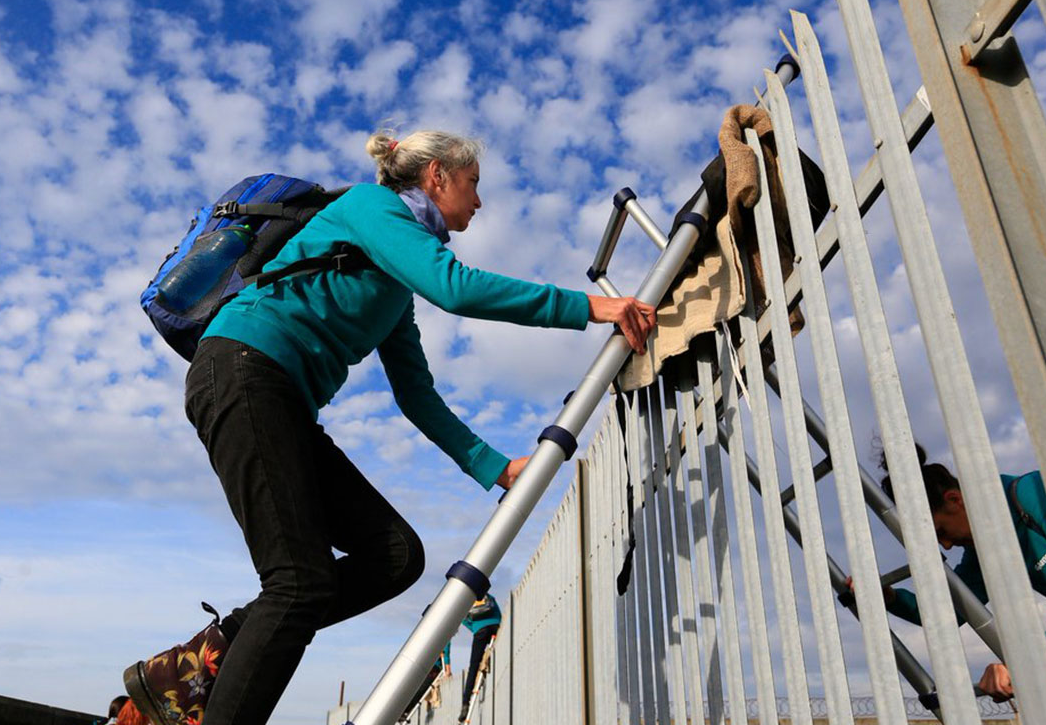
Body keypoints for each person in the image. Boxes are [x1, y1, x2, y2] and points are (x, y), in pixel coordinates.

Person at [122, 129, 658, 725]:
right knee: (297, 584)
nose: (479, 202)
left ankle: (194, 668)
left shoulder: (393, 277)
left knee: (395, 554)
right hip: (243, 372)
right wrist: (591, 306)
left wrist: (493, 465)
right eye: (473, 184)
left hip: (279, 397)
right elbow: (455, 289)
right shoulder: (370, 208)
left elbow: (416, 394)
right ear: (437, 176)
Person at [851, 445, 1046, 702]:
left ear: (954, 500)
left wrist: (1029, 662)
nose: (946, 545)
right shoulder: (983, 549)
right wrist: (891, 597)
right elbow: (949, 610)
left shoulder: (1035, 494)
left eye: (941, 532)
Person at [458, 593, 501, 723]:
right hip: (495, 626)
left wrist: (476, 628)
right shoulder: (488, 596)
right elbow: (498, 614)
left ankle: (465, 703)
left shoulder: (467, 600)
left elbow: (464, 620)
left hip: (480, 630)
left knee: (474, 667)